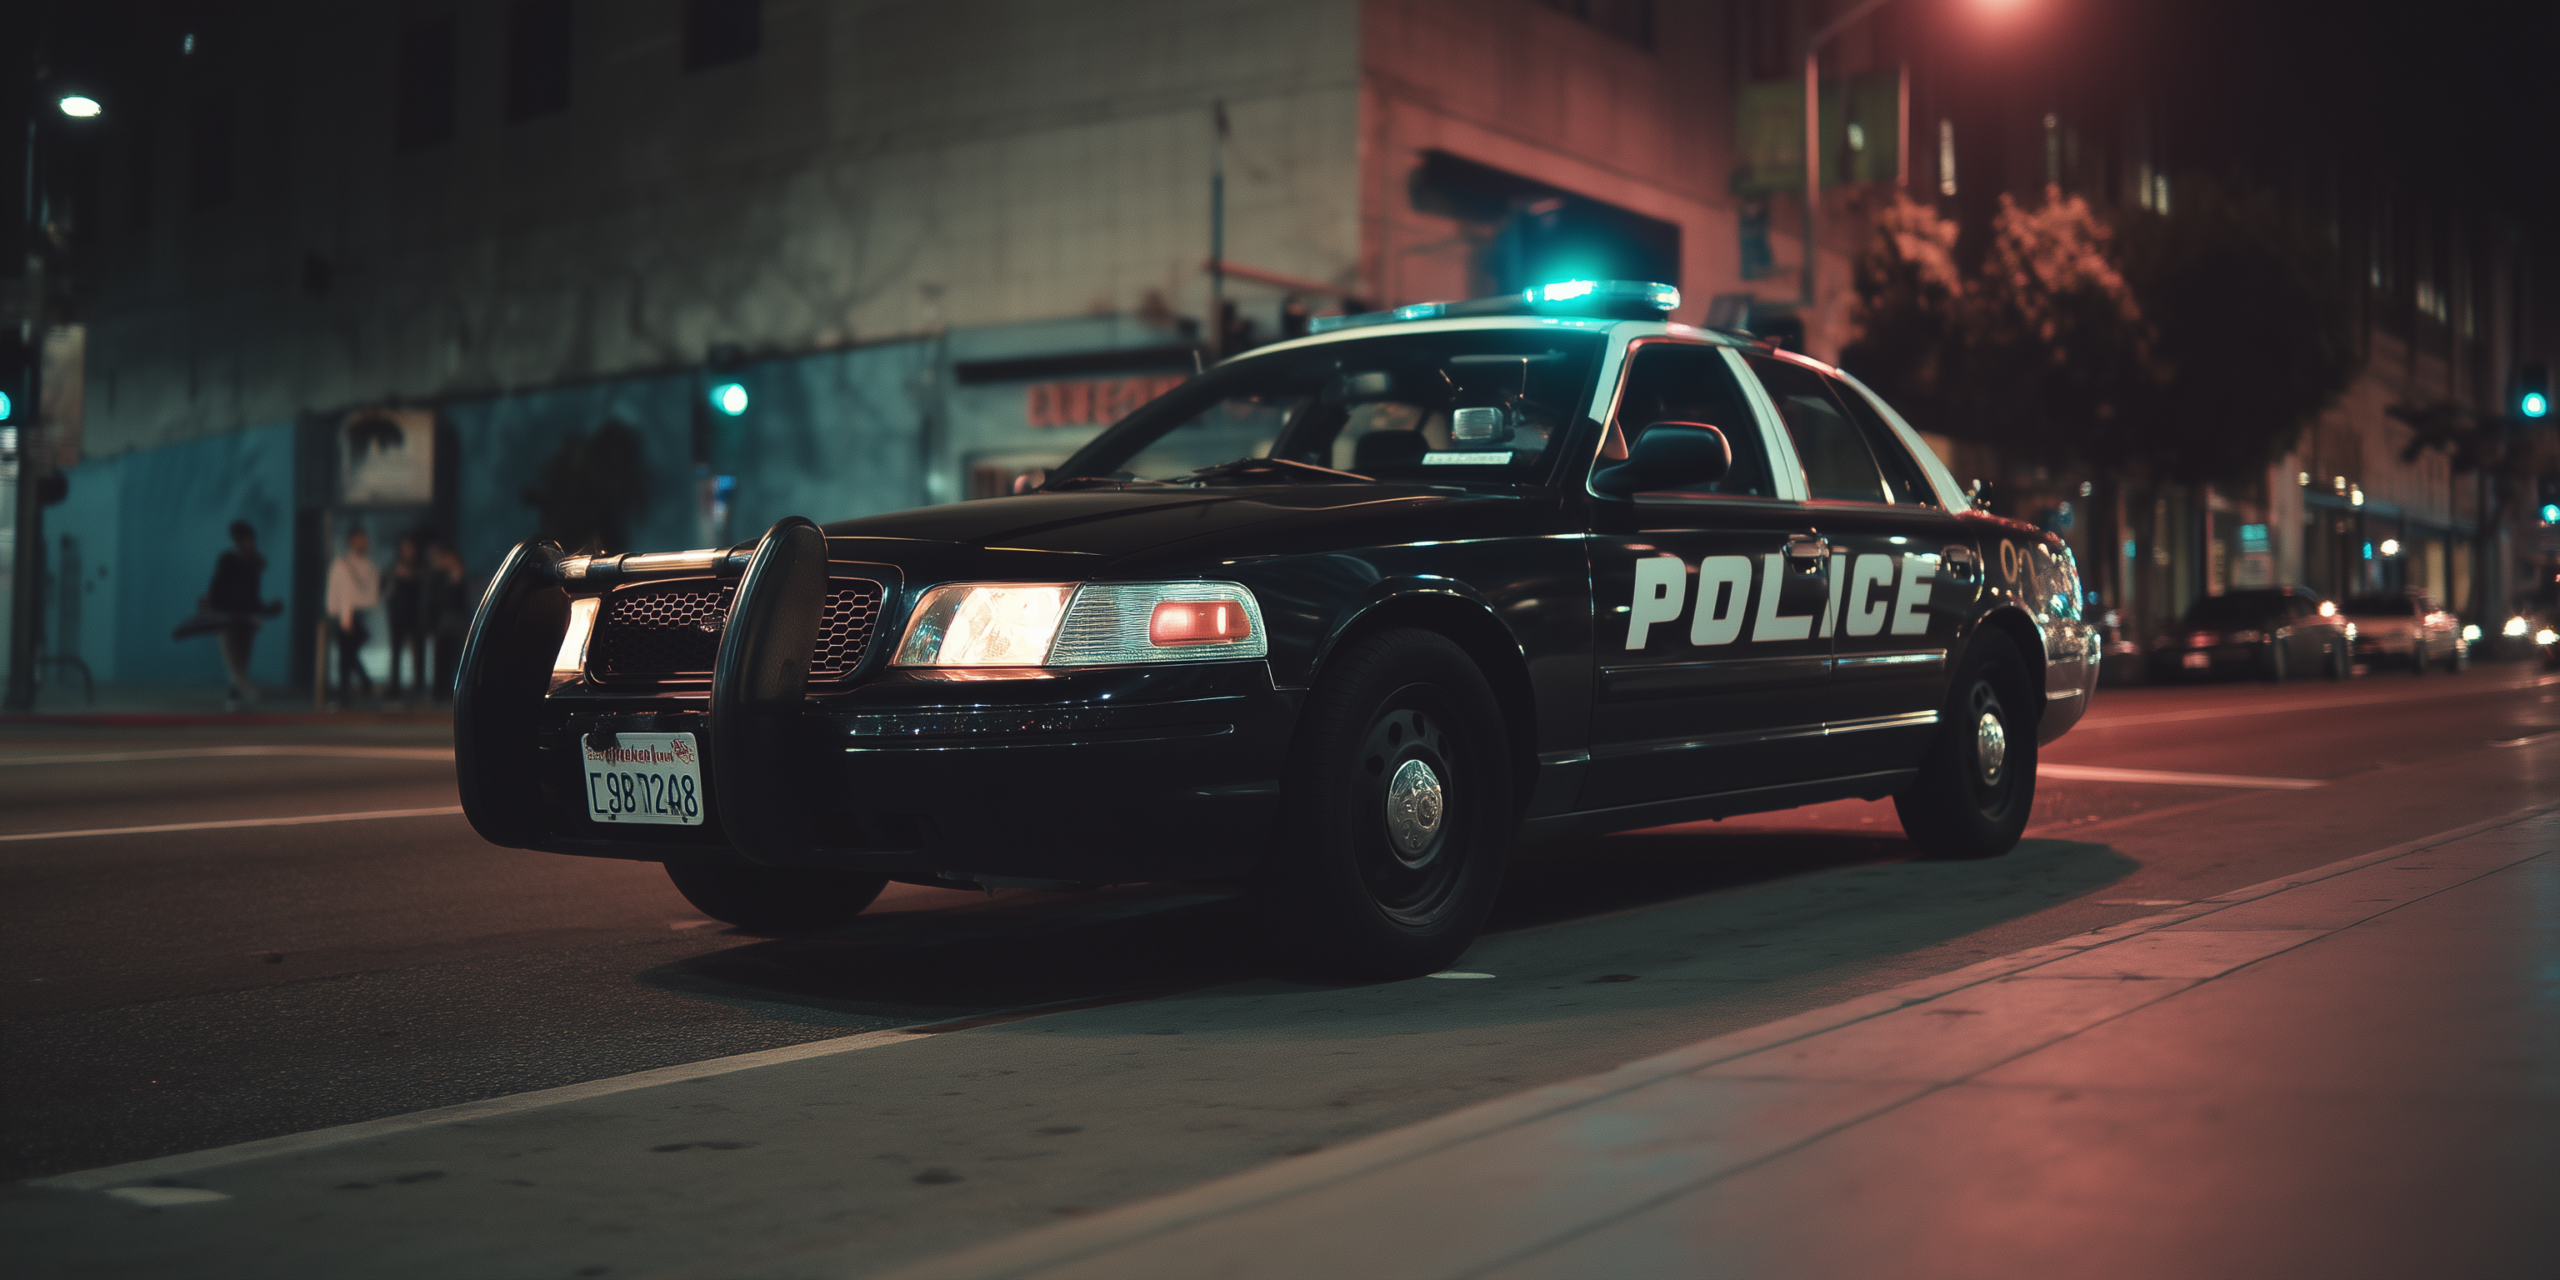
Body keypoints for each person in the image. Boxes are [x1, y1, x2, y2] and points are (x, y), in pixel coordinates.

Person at [202, 521, 275, 711]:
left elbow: (253, 595)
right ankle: (249, 692)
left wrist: (265, 610)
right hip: (228, 618)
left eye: (250, 540)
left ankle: (235, 698)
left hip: (246, 619)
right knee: (234, 663)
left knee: (242, 661)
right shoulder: (228, 561)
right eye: (246, 540)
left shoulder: (253, 564)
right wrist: (216, 609)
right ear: (239, 541)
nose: (249, 543)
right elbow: (217, 589)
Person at [324, 527, 381, 706]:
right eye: (358, 540)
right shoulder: (341, 563)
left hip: (359, 614)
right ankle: (357, 688)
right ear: (351, 542)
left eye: (363, 540)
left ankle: (355, 689)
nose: (362, 543)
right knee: (346, 654)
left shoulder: (370, 566)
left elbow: (372, 595)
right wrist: (333, 612)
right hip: (343, 613)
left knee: (347, 654)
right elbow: (334, 590)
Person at [384, 533, 428, 701]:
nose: (408, 551)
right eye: (405, 548)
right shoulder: (394, 569)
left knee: (419, 652)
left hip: (417, 616)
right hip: (398, 616)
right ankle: (395, 686)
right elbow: (386, 591)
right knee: (396, 651)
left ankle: (419, 686)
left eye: (411, 548)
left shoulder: (422, 569)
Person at [427, 542, 472, 703]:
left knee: (454, 658)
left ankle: (448, 691)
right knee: (442, 658)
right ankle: (440, 691)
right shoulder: (441, 577)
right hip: (444, 624)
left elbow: (462, 601)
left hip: (456, 624)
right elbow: (438, 601)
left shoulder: (461, 576)